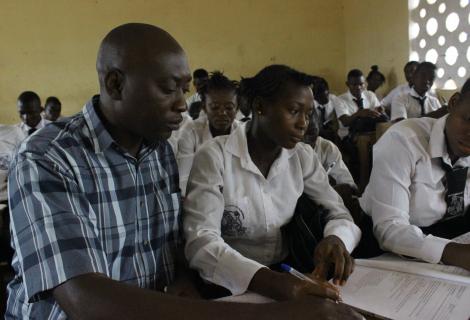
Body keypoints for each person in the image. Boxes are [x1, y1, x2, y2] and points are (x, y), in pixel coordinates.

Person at [5, 23, 361, 320]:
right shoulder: (49, 158)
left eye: (185, 88)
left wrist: (182, 277)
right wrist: (281, 314)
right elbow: (84, 300)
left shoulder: (157, 150)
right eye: (168, 88)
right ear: (115, 84)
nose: (181, 103)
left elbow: (172, 245)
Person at [184, 65, 361, 302]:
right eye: (294, 110)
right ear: (259, 107)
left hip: (287, 270)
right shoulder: (214, 156)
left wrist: (337, 238)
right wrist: (271, 282)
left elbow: (338, 212)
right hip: (226, 281)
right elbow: (201, 241)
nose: (303, 124)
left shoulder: (302, 156)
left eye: (308, 114)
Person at [359, 77, 470, 271]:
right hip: (389, 247)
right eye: (469, 120)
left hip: (449, 235)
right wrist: (454, 253)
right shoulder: (403, 141)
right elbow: (388, 228)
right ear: (453, 103)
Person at [177, 71, 239, 195]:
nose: (222, 113)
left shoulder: (242, 134)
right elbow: (184, 180)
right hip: (198, 195)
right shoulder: (191, 132)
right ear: (204, 107)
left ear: (237, 108)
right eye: (215, 107)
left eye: (229, 107)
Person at [336, 69, 387, 191]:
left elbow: (378, 111)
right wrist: (359, 113)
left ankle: (378, 181)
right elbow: (345, 121)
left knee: (384, 123)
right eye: (354, 84)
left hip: (371, 132)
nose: (358, 87)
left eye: (361, 84)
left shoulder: (370, 95)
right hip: (349, 135)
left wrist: (380, 110)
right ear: (347, 84)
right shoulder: (340, 99)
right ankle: (361, 183)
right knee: (361, 149)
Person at [312, 77, 343, 144]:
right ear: (315, 97)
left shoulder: (334, 99)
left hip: (331, 131)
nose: (325, 100)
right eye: (321, 98)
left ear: (328, 91)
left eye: (326, 95)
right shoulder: (310, 103)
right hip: (316, 131)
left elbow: (340, 117)